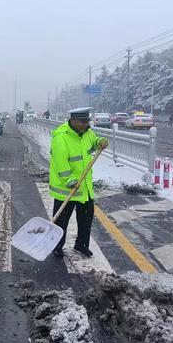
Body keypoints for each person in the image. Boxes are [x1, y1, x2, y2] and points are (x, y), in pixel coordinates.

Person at [49, 107, 108, 258]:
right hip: (66, 188)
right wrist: (70, 180)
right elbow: (60, 164)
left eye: (86, 122)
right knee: (61, 220)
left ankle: (81, 245)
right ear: (73, 121)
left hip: (85, 187)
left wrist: (99, 141)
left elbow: (93, 143)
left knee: (86, 218)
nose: (85, 125)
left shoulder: (87, 133)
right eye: (82, 122)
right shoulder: (61, 138)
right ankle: (57, 246)